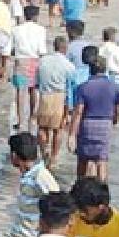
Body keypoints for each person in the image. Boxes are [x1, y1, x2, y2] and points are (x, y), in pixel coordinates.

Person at [0, 132, 58, 237]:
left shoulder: (40, 176)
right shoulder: (28, 175)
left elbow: (57, 202)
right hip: (19, 234)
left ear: (15, 156)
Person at [68, 52, 119, 181]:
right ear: (105, 69)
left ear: (90, 69)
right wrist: (115, 122)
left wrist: (72, 134)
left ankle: (80, 186)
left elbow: (79, 111)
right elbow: (117, 110)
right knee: (102, 160)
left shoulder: (83, 87)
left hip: (87, 124)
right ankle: (103, 189)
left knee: (83, 159)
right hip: (105, 124)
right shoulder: (114, 87)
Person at [35, 36, 75, 165]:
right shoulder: (68, 65)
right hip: (59, 97)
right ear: (65, 49)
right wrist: (69, 108)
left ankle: (43, 151)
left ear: (54, 46)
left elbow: (37, 81)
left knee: (42, 128)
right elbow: (71, 87)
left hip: (45, 95)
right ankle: (53, 157)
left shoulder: (42, 61)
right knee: (58, 129)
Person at [9, 4, 47, 132]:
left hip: (20, 60)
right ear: (36, 16)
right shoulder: (41, 30)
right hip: (34, 61)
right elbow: (42, 50)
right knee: (33, 90)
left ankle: (20, 120)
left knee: (20, 91)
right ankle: (32, 117)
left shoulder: (16, 29)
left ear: (25, 16)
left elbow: (11, 49)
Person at [98, 26, 119, 93]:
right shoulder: (116, 49)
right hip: (116, 78)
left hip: (103, 77)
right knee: (118, 101)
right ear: (112, 37)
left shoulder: (100, 49)